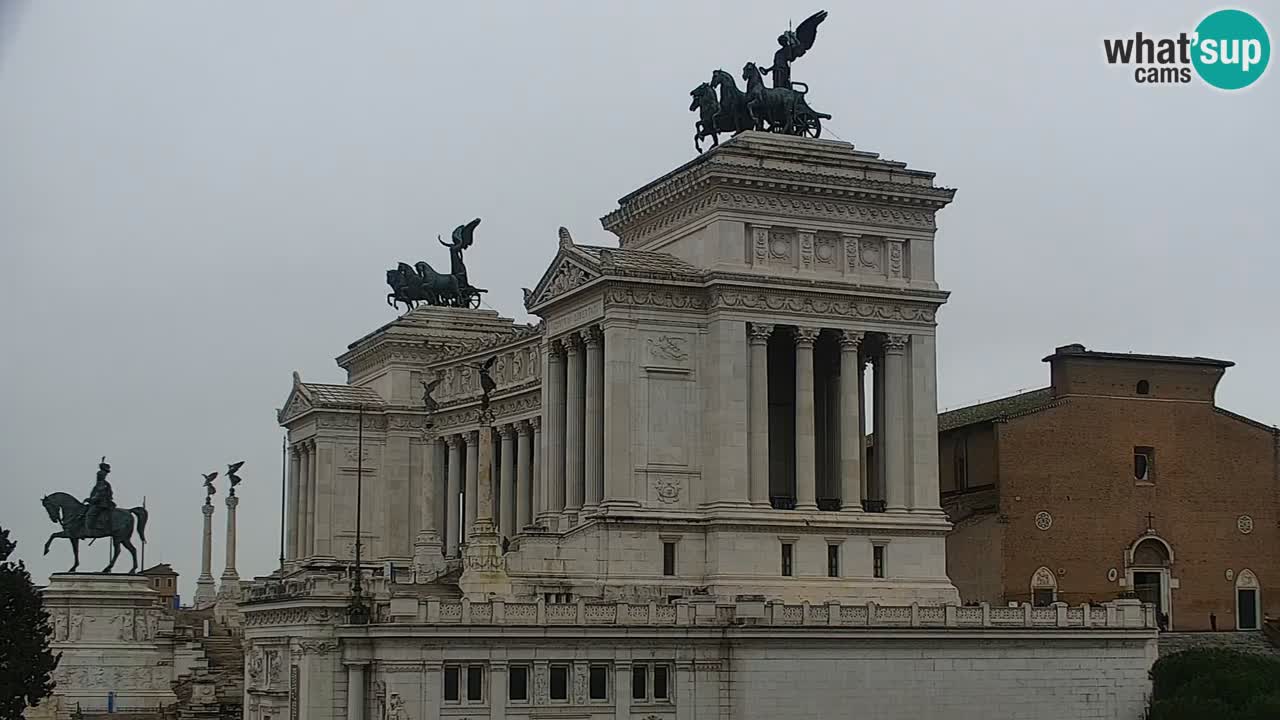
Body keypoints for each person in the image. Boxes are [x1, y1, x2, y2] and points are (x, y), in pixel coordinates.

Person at [84, 457, 116, 534]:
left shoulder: (102, 484)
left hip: (102, 503)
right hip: (98, 502)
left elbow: (99, 494)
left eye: (100, 475)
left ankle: (93, 528)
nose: (98, 476)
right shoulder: (101, 484)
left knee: (90, 513)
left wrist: (91, 499)